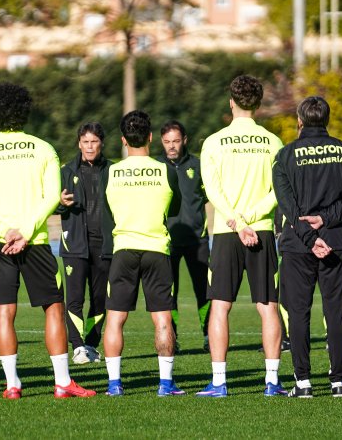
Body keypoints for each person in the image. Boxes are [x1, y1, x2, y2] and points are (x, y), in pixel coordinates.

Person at [0, 83, 94, 399]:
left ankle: (12, 385)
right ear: (25, 110)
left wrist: (5, 230)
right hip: (33, 241)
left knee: (4, 313)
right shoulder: (43, 148)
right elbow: (52, 196)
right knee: (53, 308)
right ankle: (63, 382)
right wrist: (24, 230)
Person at [198, 75, 285, 397]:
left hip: (226, 231)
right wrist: (250, 219)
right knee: (268, 307)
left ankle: (219, 383)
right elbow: (278, 191)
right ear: (259, 104)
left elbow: (212, 191)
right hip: (261, 229)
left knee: (220, 306)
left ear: (231, 101)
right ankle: (272, 382)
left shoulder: (214, 141)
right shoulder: (273, 142)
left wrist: (236, 220)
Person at [272, 96, 342, 398]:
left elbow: (287, 206)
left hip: (298, 244)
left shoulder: (285, 155)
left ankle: (303, 382)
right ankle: (338, 381)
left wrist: (311, 235)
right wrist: (326, 219)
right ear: (327, 119)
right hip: (336, 242)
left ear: (300, 121)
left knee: (298, 312)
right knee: (336, 311)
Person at [101, 110, 183, 396]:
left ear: (124, 140)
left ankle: (114, 384)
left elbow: (107, 210)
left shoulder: (110, 171)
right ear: (150, 137)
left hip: (123, 248)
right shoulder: (166, 169)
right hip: (157, 249)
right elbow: (174, 209)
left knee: (115, 318)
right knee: (162, 318)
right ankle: (165, 383)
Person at [56, 121, 113, 365]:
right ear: (79, 143)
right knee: (75, 298)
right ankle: (77, 346)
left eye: (94, 142)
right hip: (75, 244)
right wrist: (60, 203)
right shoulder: (66, 171)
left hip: (105, 245)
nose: (90, 147)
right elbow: (51, 203)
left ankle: (91, 345)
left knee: (101, 299)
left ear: (102, 143)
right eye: (85, 142)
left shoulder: (113, 170)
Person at [159, 120, 210, 350]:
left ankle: (210, 335)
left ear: (185, 140)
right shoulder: (156, 167)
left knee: (205, 291)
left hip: (197, 239)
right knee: (170, 293)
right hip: (166, 240)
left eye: (176, 141)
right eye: (168, 141)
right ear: (161, 142)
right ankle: (173, 338)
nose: (172, 146)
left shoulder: (198, 166)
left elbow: (208, 196)